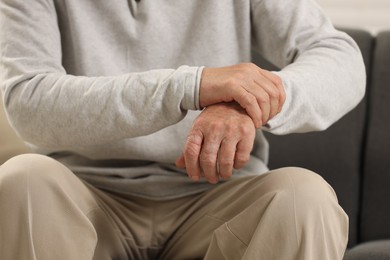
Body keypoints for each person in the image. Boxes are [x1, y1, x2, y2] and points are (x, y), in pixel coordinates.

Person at [0, 0, 365, 259]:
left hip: (217, 196)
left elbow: (340, 58)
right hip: (84, 196)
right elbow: (28, 101)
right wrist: (192, 86)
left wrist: (246, 102)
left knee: (305, 197)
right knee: (21, 180)